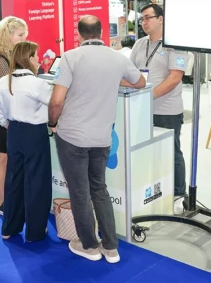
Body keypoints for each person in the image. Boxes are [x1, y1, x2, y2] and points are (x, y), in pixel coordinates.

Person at [49, 16, 145, 263]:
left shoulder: (70, 57)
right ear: (102, 33)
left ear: (79, 34)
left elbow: (57, 100)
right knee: (99, 189)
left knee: (80, 192)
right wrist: (114, 78)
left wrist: (51, 123)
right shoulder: (117, 58)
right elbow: (140, 82)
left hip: (72, 136)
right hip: (102, 137)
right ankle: (111, 248)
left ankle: (89, 246)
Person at [128, 4, 188, 210]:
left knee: (172, 151)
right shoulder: (140, 43)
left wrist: (149, 95)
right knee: (146, 151)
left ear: (160, 19)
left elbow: (175, 77)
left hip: (166, 109)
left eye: (148, 18)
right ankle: (153, 190)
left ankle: (179, 193)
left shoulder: (175, 44)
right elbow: (131, 71)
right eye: (142, 19)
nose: (144, 22)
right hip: (140, 109)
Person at [0, 41, 53, 242]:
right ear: (28, 58)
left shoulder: (3, 82)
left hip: (13, 132)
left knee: (13, 180)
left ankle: (9, 228)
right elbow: (55, 104)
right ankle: (35, 232)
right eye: (36, 56)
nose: (39, 59)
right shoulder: (36, 83)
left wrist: (9, 125)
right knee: (37, 181)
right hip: (34, 133)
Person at [0, 16, 28, 215]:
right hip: (6, 117)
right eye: (20, 35)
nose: (23, 39)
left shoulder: (17, 56)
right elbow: (9, 86)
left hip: (19, 115)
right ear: (8, 35)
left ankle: (15, 198)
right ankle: (2, 201)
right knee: (3, 158)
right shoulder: (0, 60)